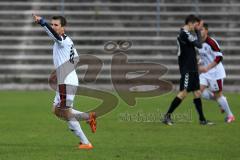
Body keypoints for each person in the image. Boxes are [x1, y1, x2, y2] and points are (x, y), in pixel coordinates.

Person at [32, 14, 96, 149]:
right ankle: (88, 117)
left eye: (56, 25)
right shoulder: (68, 41)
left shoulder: (62, 40)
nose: (54, 27)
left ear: (63, 28)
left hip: (67, 81)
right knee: (56, 110)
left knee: (65, 112)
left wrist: (42, 23)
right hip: (66, 79)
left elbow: (55, 37)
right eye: (52, 24)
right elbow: (76, 58)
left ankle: (86, 142)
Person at [162, 15, 213, 125]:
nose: (196, 27)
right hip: (187, 69)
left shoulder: (187, 34)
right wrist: (198, 31)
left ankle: (202, 119)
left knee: (197, 93)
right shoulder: (184, 33)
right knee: (184, 93)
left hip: (192, 68)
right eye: (195, 25)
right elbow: (199, 45)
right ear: (190, 23)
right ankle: (167, 117)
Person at [198, 23, 235, 123]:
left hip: (215, 73)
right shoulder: (198, 42)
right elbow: (203, 56)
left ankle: (230, 115)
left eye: (201, 30)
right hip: (206, 73)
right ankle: (221, 101)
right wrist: (199, 62)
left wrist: (207, 67)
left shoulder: (212, 42)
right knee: (198, 91)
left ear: (206, 31)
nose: (199, 31)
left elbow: (219, 57)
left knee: (217, 95)